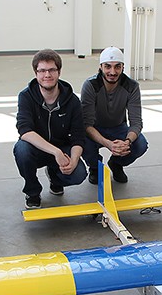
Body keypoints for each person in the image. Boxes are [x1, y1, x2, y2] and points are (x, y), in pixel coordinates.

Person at [14, 49, 87, 209]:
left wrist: (73, 160)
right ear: (36, 73)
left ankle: (55, 178)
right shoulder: (26, 97)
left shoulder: (72, 101)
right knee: (22, 150)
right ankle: (32, 192)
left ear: (59, 72)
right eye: (42, 70)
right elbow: (24, 130)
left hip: (63, 147)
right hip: (38, 149)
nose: (47, 75)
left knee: (79, 174)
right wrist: (56, 152)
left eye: (52, 70)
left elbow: (78, 136)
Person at [81, 46, 148, 184]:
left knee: (140, 144)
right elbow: (86, 124)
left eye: (117, 67)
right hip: (94, 128)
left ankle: (116, 163)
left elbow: (136, 122)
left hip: (118, 128)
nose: (112, 72)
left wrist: (127, 142)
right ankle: (95, 167)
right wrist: (107, 143)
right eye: (108, 67)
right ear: (100, 67)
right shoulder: (90, 85)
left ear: (123, 67)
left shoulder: (132, 86)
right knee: (82, 142)